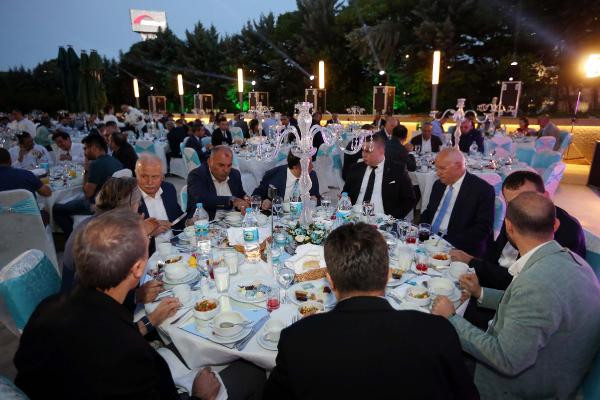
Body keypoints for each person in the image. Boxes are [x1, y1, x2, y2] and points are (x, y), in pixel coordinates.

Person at [15, 209, 266, 399]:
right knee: (252, 371)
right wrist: (200, 396)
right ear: (138, 269)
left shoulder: (47, 308)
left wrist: (147, 319)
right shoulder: (129, 355)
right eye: (147, 245)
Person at [265, 222, 479, 399]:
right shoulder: (437, 331)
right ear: (388, 275)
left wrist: (311, 327)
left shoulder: (297, 339)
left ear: (330, 280)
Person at [432, 192, 600, 399]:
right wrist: (480, 292)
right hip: (558, 364)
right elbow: (530, 306)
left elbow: (506, 360)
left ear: (508, 227)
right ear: (555, 225)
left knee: (428, 361)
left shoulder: (537, 284)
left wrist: (451, 318)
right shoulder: (574, 260)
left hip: (523, 386)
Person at [453, 171, 586, 329]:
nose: (519, 210)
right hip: (494, 289)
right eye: (512, 204)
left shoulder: (565, 231)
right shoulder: (515, 216)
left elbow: (528, 287)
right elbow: (493, 254)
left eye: (527, 198)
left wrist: (474, 265)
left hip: (524, 305)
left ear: (546, 195)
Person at [421, 148, 494, 257]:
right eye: (436, 168)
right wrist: (422, 229)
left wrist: (445, 244)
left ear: (459, 166)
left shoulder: (482, 190)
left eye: (442, 168)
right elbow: (429, 211)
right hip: (429, 240)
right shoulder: (438, 185)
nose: (437, 173)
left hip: (458, 246)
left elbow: (482, 228)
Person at [53, 133, 123, 235]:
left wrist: (86, 170)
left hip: (97, 206)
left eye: (85, 148)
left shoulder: (96, 164)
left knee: (56, 209)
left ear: (93, 148)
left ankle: (74, 238)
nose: (84, 152)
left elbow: (87, 193)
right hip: (114, 204)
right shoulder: (116, 161)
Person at [343, 134, 415, 220]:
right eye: (363, 150)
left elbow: (409, 200)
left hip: (383, 220)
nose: (363, 155)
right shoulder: (356, 168)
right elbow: (346, 192)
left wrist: (391, 219)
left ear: (381, 151)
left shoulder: (397, 170)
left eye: (368, 151)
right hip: (355, 217)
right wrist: (344, 199)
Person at [186, 145, 249, 220]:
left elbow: (240, 194)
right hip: (206, 222)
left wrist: (246, 198)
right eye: (221, 165)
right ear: (209, 162)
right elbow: (202, 199)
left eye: (229, 165)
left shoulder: (235, 174)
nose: (226, 170)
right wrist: (231, 200)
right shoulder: (197, 175)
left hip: (234, 221)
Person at [136, 154, 185, 246]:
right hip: (150, 251)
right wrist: (149, 234)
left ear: (162, 177)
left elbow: (177, 215)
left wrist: (189, 221)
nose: (149, 182)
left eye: (154, 177)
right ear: (136, 176)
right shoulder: (130, 198)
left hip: (176, 245)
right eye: (144, 176)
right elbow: (124, 239)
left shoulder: (168, 189)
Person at [253, 151, 320, 210]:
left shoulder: (312, 175)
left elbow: (317, 198)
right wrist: (265, 202)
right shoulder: (273, 174)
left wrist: (315, 200)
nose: (312, 166)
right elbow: (256, 195)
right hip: (278, 216)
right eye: (308, 164)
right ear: (295, 167)